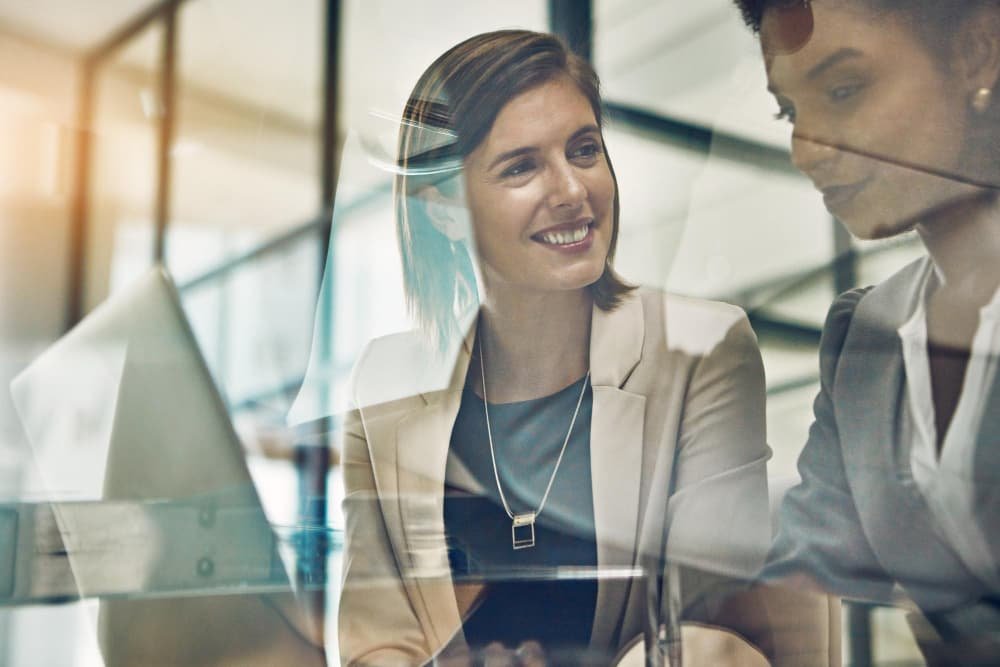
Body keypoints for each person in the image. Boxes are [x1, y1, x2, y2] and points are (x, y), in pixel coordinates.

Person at [338, 29, 775, 666]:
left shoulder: (702, 352)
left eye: (584, 149)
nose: (571, 189)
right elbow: (374, 641)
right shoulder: (387, 382)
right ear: (443, 209)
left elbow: (707, 633)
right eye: (521, 166)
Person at [733, 0, 1000, 662]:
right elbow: (807, 563)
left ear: (977, 52)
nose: (806, 149)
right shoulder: (864, 337)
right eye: (791, 113)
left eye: (844, 90)